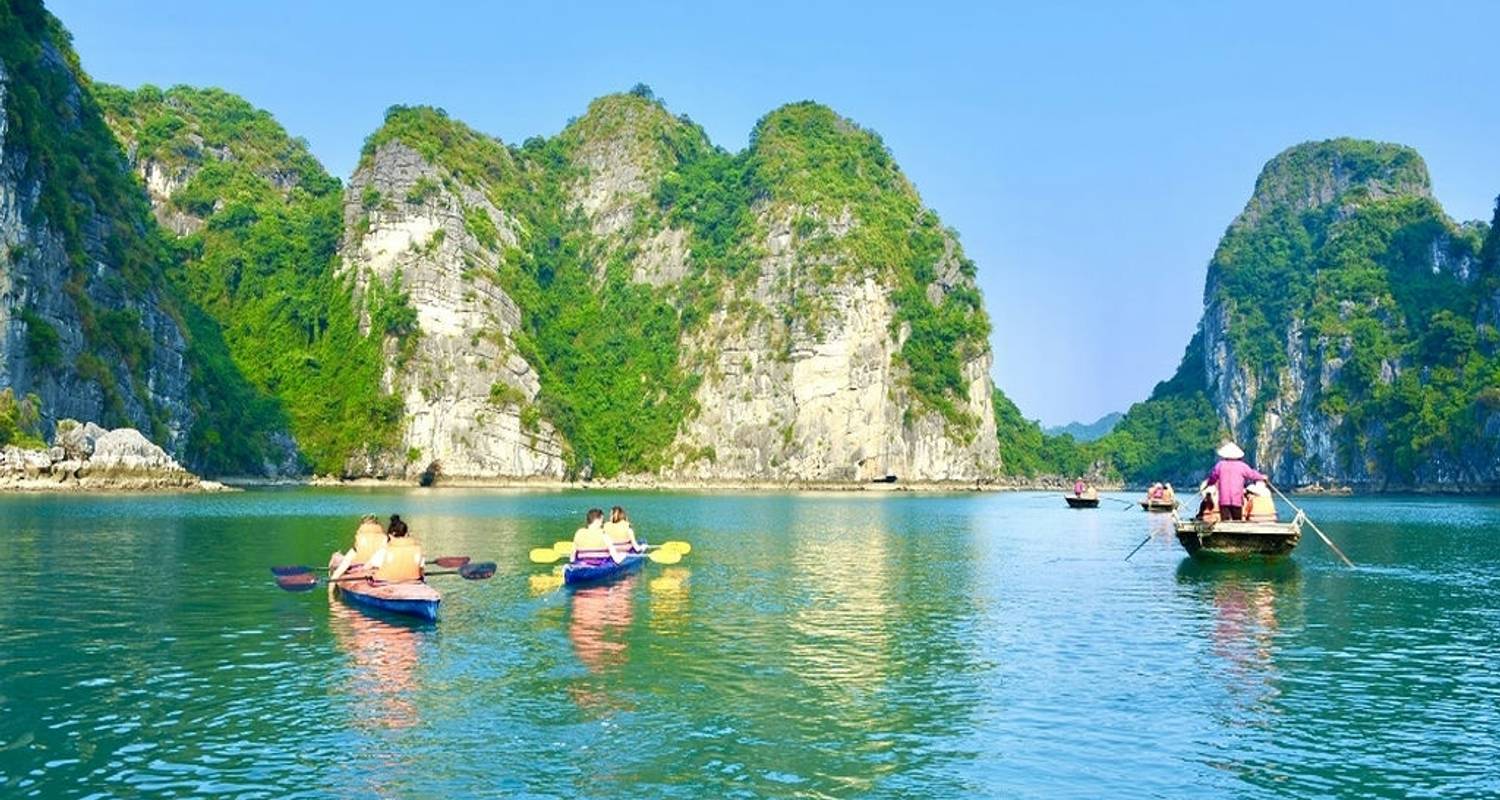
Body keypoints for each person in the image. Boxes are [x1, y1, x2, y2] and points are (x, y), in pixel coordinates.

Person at [1203, 442, 1268, 521]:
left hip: (1224, 500)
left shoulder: (1220, 465)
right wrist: (1262, 477)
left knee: (1225, 522)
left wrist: (1208, 484)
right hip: (1236, 499)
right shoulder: (1242, 466)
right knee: (1237, 521)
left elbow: (1213, 477)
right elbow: (1252, 474)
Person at [372, 515, 424, 582]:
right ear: (406, 534)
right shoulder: (417, 549)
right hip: (414, 581)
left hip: (388, 582)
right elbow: (422, 569)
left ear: (391, 535)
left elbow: (370, 566)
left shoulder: (385, 550)